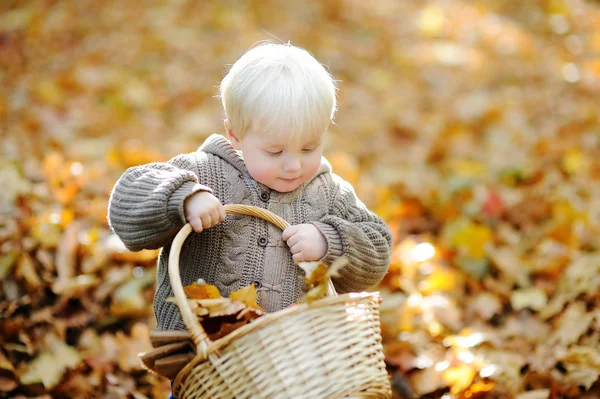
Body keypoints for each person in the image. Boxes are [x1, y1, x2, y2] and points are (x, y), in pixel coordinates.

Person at [108, 42, 392, 335]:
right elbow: (126, 204)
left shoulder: (329, 192)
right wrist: (183, 198)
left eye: (309, 148)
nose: (293, 165)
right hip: (204, 354)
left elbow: (378, 247)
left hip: (301, 361)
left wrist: (328, 240)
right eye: (274, 152)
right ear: (235, 135)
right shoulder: (203, 172)